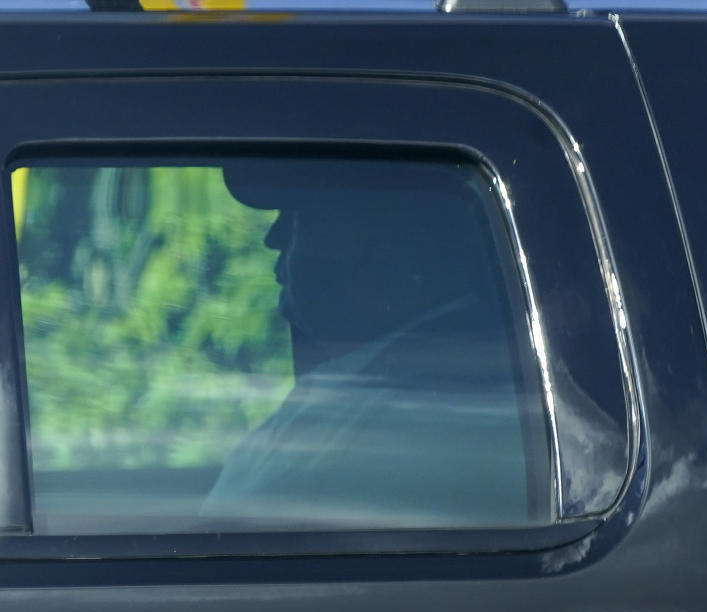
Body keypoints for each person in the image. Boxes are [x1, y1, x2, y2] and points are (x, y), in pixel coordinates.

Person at [200, 158, 550, 529]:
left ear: (381, 244)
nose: (274, 237)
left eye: (305, 216)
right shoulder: (389, 385)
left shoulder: (404, 418)